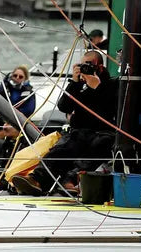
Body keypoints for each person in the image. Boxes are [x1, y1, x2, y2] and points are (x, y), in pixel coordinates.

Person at [12, 51, 117, 196]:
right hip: (79, 130)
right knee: (61, 148)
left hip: (101, 132)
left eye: (89, 65)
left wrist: (97, 87)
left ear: (99, 67)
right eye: (82, 65)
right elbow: (64, 106)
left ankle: (70, 179)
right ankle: (36, 179)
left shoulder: (110, 85)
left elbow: (110, 109)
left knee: (98, 146)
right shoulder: (79, 85)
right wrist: (74, 82)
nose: (85, 68)